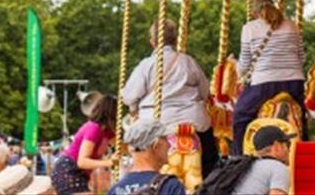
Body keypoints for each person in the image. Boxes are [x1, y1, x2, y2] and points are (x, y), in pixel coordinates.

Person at [122, 20, 217, 175]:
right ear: (175, 40)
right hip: (192, 122)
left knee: (136, 155)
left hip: (157, 123)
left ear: (152, 42)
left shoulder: (146, 65)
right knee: (210, 158)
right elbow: (205, 92)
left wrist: (134, 108)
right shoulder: (188, 61)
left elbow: (128, 96)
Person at [232, 0, 305, 155]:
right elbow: (302, 58)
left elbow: (244, 64)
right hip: (294, 82)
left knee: (239, 116)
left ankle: (237, 157)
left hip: (264, 84)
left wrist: (236, 68)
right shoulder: (292, 26)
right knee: (302, 117)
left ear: (255, 12)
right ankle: (304, 149)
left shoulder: (250, 28)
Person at [51, 92, 115, 195]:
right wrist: (108, 162)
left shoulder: (108, 132)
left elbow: (123, 147)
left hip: (81, 173)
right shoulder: (94, 128)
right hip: (69, 169)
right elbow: (82, 161)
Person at [105, 121, 183, 195]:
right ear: (156, 145)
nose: (169, 145)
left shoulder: (115, 190)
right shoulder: (170, 186)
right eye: (165, 139)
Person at [232, 126, 291, 195]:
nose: (289, 150)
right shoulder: (278, 168)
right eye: (288, 144)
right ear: (277, 146)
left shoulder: (247, 165)